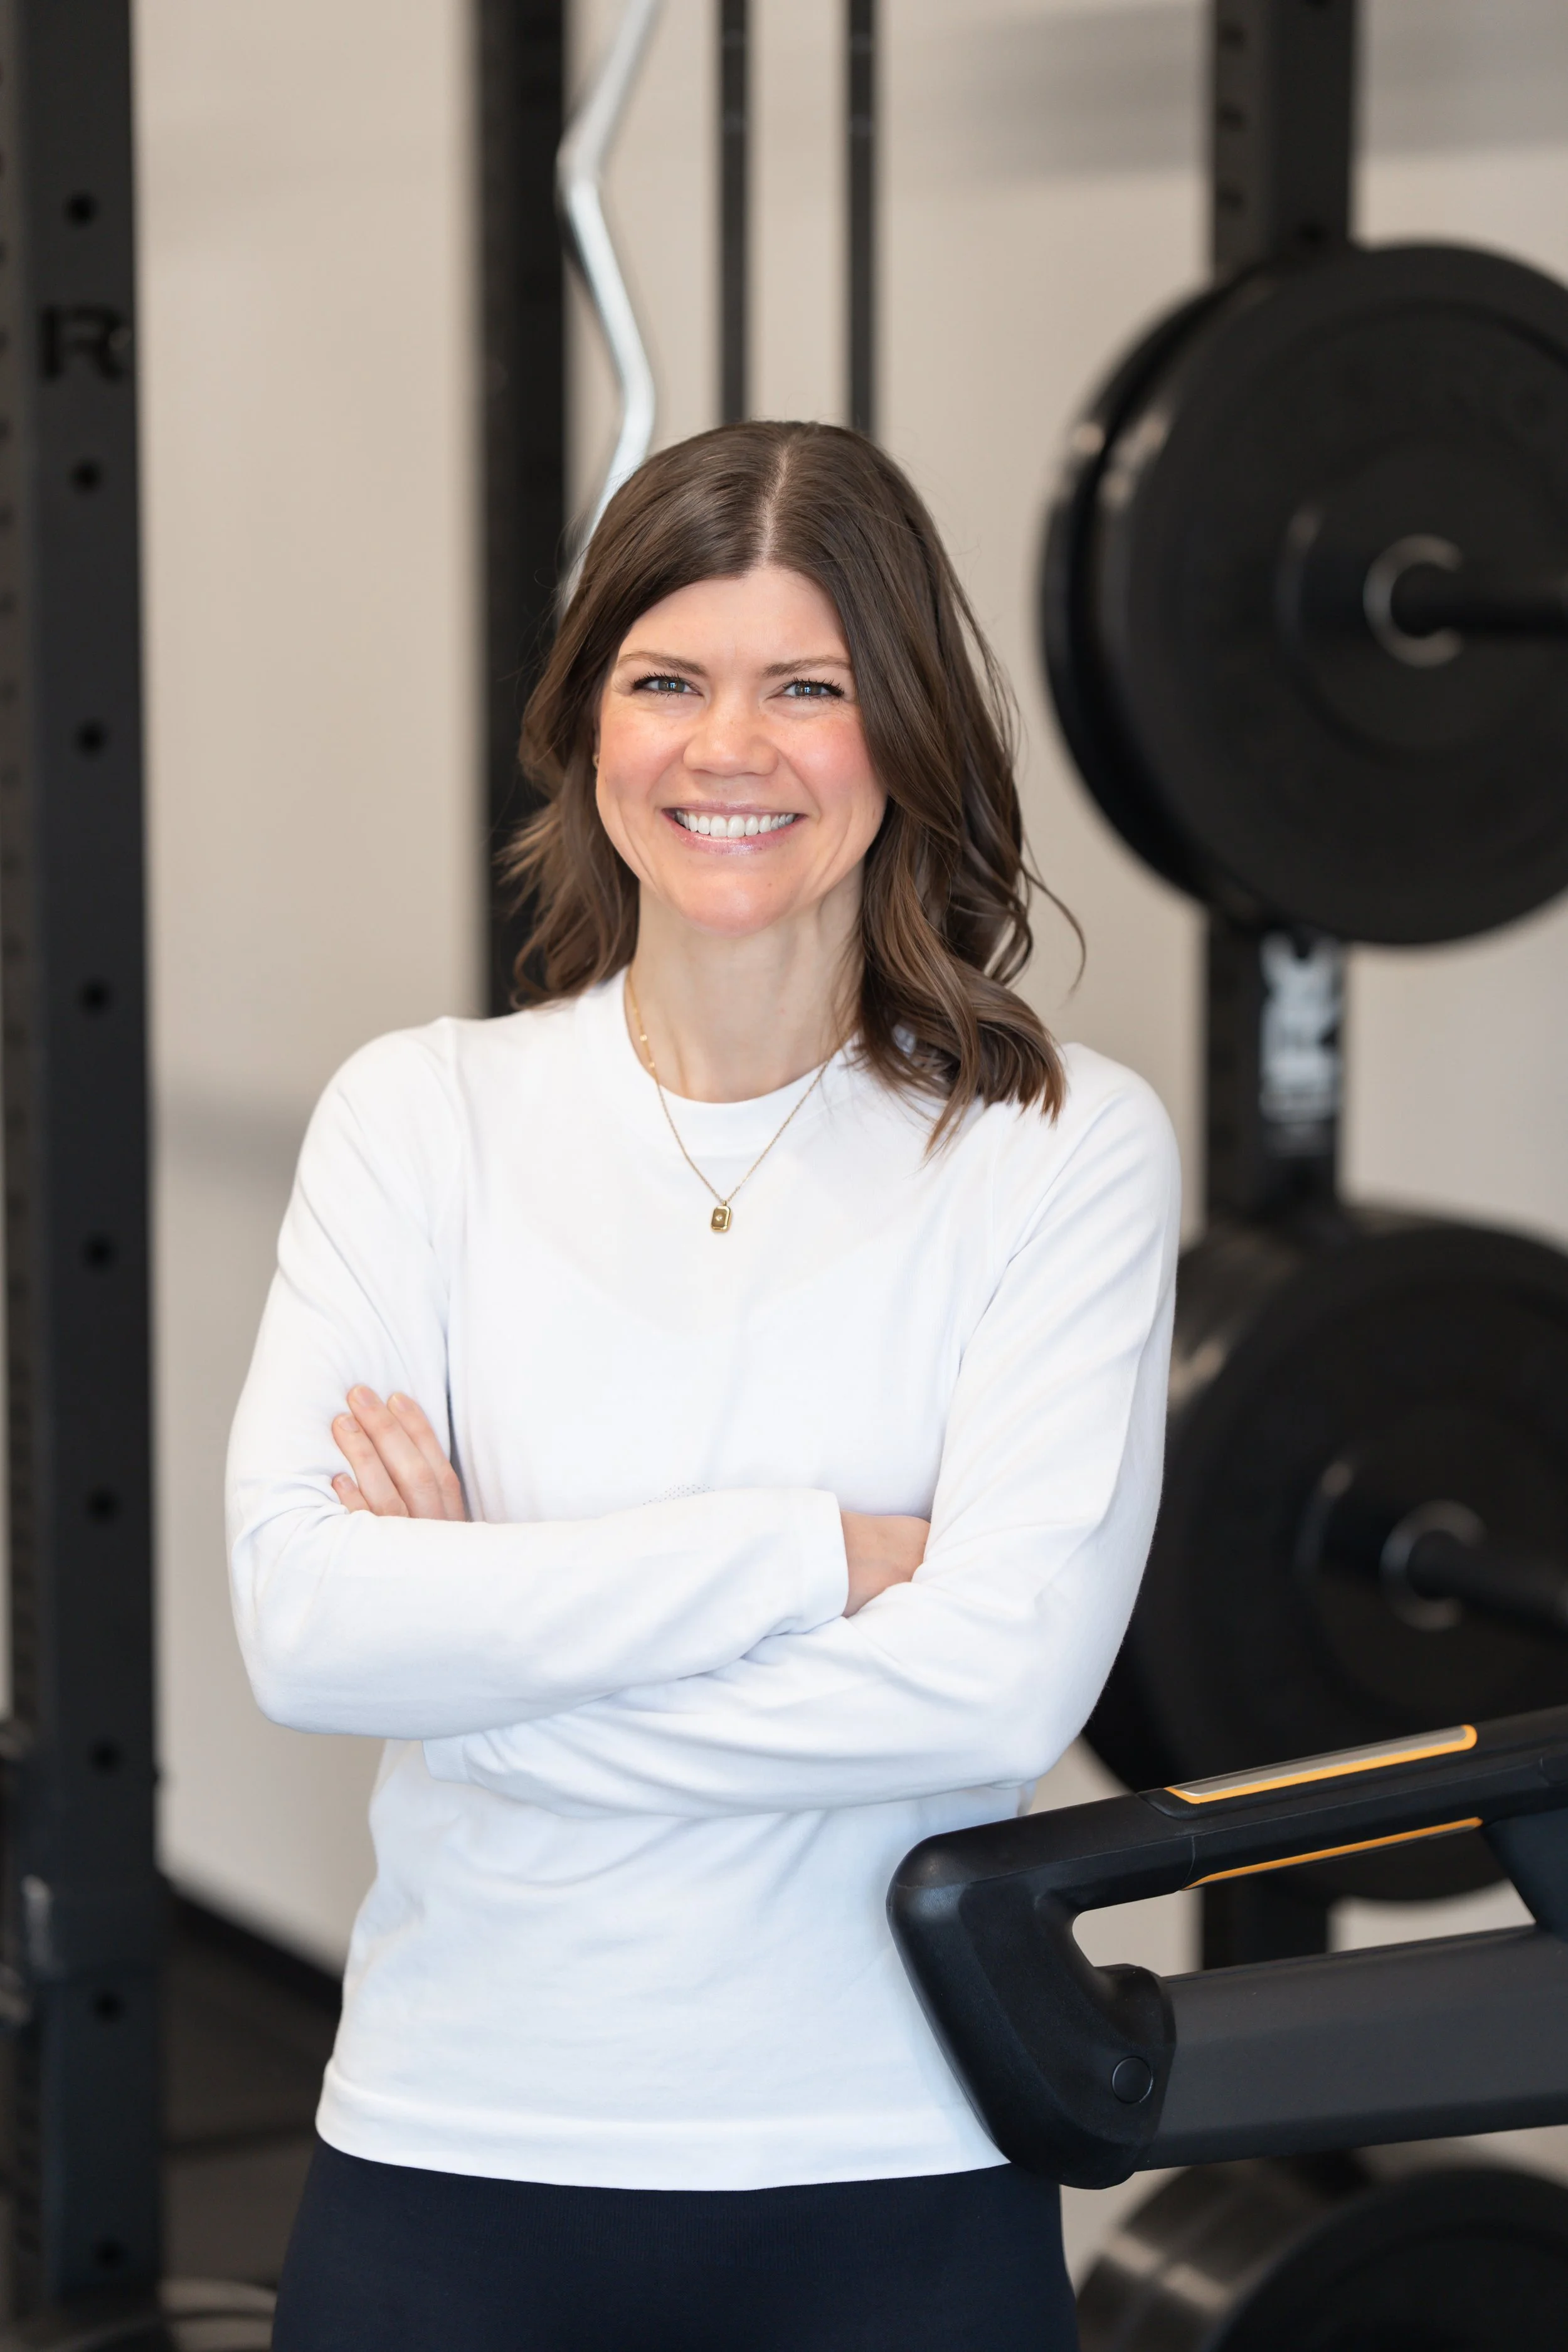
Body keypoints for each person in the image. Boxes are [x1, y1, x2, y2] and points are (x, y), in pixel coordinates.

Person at [230, 419, 1180, 2351]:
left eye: (804, 689)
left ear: (901, 733)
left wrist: (492, 1668)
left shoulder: (1054, 1147)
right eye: (667, 680)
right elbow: (313, 1630)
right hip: (456, 2141)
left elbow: (995, 1681)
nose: (726, 750)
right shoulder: (423, 1117)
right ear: (590, 725)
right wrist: (812, 1553)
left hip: (892, 2155)